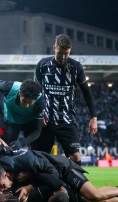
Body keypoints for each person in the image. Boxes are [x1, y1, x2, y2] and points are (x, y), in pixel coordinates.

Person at [0, 150, 118, 202]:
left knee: (94, 195)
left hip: (64, 170)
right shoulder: (4, 172)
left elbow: (54, 174)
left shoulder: (29, 160)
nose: (2, 189)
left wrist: (30, 186)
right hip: (54, 183)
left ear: (7, 174)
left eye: (2, 185)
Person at [35, 34, 98, 166]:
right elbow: (35, 91)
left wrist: (94, 117)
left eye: (66, 53)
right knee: (38, 157)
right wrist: (40, 112)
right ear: (54, 48)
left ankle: (76, 186)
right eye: (60, 53)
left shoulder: (76, 67)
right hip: (47, 120)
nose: (63, 57)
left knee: (75, 156)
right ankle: (37, 186)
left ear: (70, 50)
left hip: (67, 120)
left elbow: (87, 92)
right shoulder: (43, 65)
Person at [0, 79, 45, 149]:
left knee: (36, 148)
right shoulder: (8, 86)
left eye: (30, 103)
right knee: (6, 148)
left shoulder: (40, 102)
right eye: (24, 101)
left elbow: (37, 131)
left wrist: (21, 143)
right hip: (11, 121)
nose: (26, 106)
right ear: (19, 93)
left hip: (29, 123)